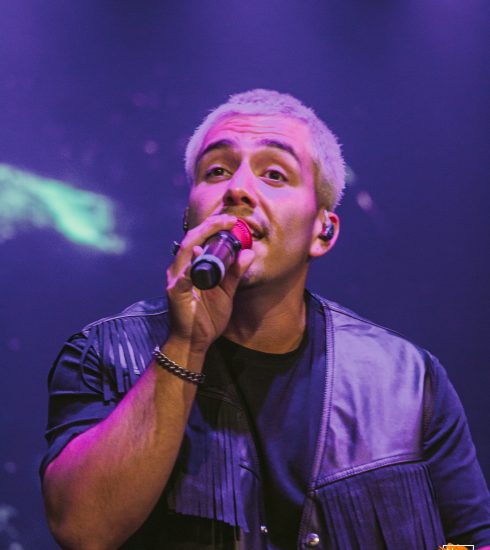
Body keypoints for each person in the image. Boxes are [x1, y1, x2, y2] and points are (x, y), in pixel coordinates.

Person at [41, 89, 490, 549]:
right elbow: (83, 530)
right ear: (189, 216)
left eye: (274, 174)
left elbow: (471, 540)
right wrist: (186, 344)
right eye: (216, 171)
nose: (237, 189)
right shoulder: (104, 354)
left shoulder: (408, 380)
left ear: (323, 231)